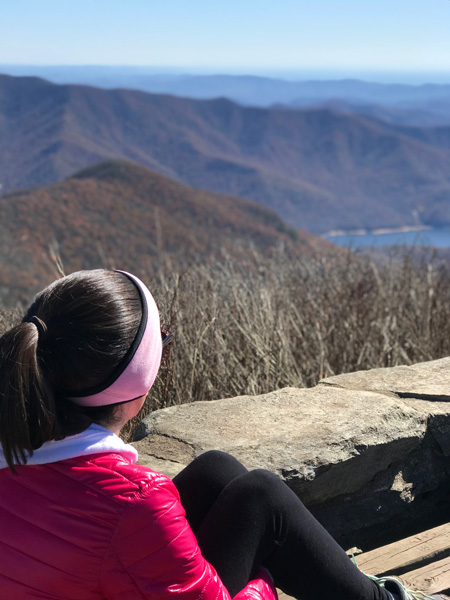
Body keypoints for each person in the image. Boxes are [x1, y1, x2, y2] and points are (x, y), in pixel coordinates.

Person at [0, 269, 438, 600]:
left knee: (216, 471)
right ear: (135, 388)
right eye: (162, 342)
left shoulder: (19, 447)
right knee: (262, 497)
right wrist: (261, 577)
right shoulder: (132, 500)